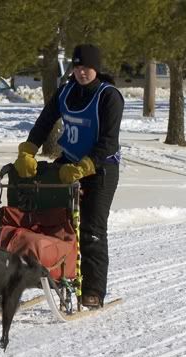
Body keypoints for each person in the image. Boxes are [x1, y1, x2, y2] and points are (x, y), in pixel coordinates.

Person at [14, 43, 124, 309]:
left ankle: (93, 291)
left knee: (91, 230)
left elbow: (109, 142)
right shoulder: (65, 91)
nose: (81, 72)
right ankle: (60, 276)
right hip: (69, 164)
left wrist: (85, 166)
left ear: (96, 67)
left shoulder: (109, 96)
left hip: (101, 169)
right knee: (57, 223)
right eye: (77, 66)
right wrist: (28, 150)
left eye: (86, 67)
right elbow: (44, 122)